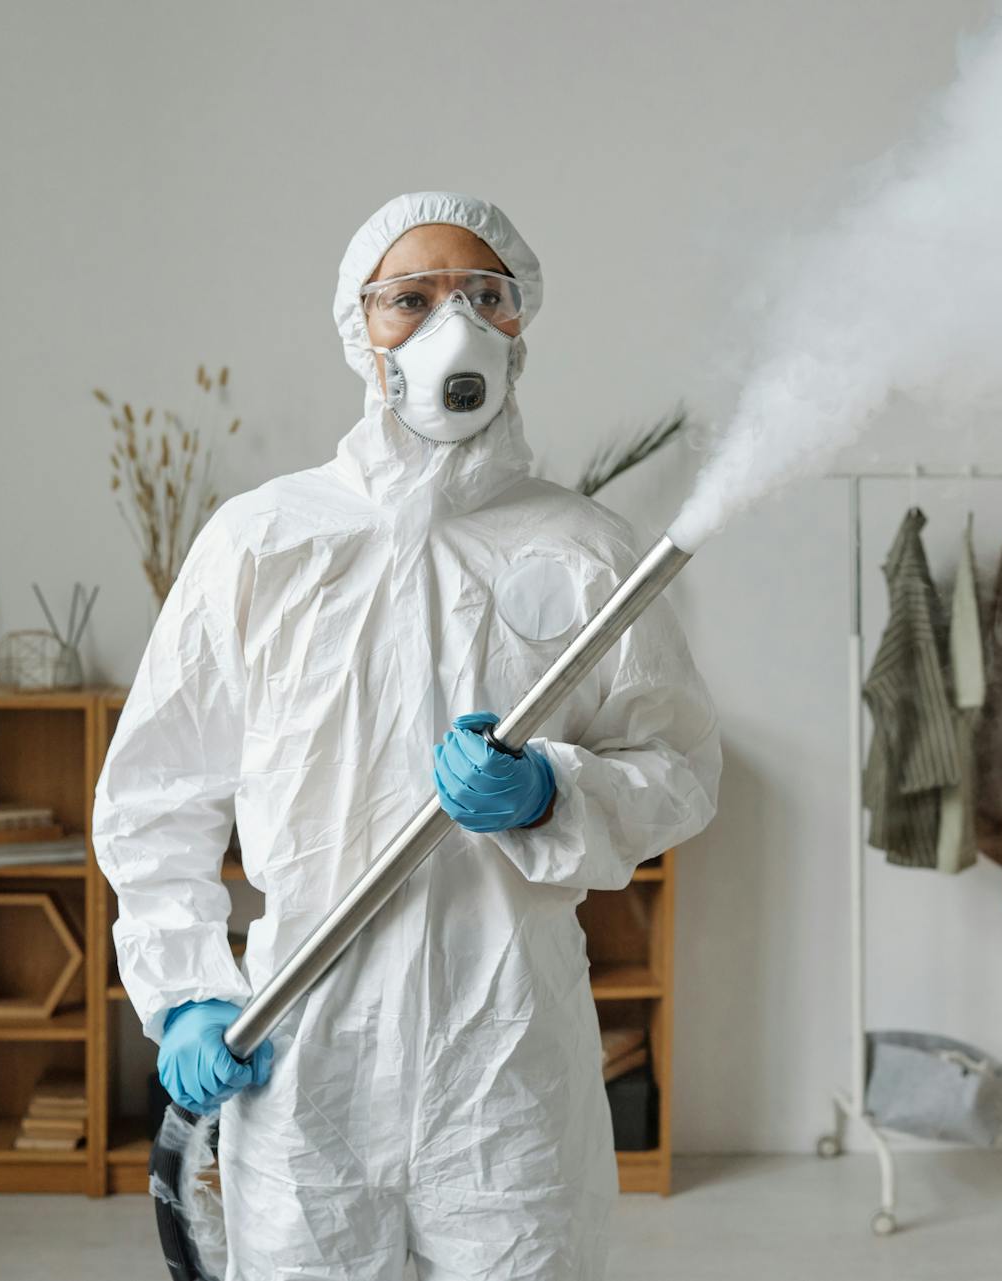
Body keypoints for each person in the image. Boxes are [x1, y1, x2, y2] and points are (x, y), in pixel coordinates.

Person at [92, 191, 721, 1280]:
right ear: (360, 328)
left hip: (507, 1059)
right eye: (413, 299)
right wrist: (190, 987)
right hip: (303, 1053)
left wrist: (552, 794)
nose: (453, 325)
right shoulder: (264, 541)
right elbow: (157, 792)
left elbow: (678, 769)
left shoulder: (586, 549)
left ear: (520, 325)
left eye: (484, 294)